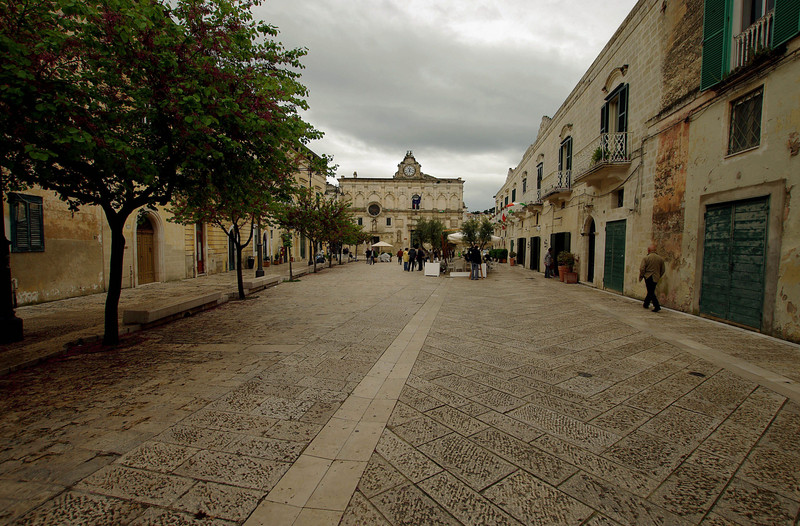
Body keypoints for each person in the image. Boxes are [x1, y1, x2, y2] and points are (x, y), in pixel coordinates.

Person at [639, 243, 666, 312]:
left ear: (648, 250)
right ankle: (646, 303)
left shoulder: (646, 258)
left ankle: (656, 306)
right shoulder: (660, 259)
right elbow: (663, 270)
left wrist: (642, 275)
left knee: (651, 291)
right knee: (651, 290)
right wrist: (659, 275)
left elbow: (642, 268)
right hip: (656, 277)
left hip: (648, 276)